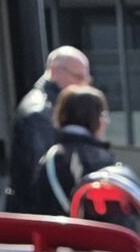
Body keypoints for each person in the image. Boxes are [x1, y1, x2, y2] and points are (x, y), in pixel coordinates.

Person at [11, 45, 90, 211]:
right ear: (55, 71)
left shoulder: (53, 108)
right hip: (41, 215)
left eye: (87, 79)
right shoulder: (39, 114)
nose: (84, 85)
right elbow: (43, 175)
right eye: (78, 77)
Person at [32, 86, 114, 215]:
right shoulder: (99, 158)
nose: (107, 122)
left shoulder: (49, 158)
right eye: (104, 115)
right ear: (94, 117)